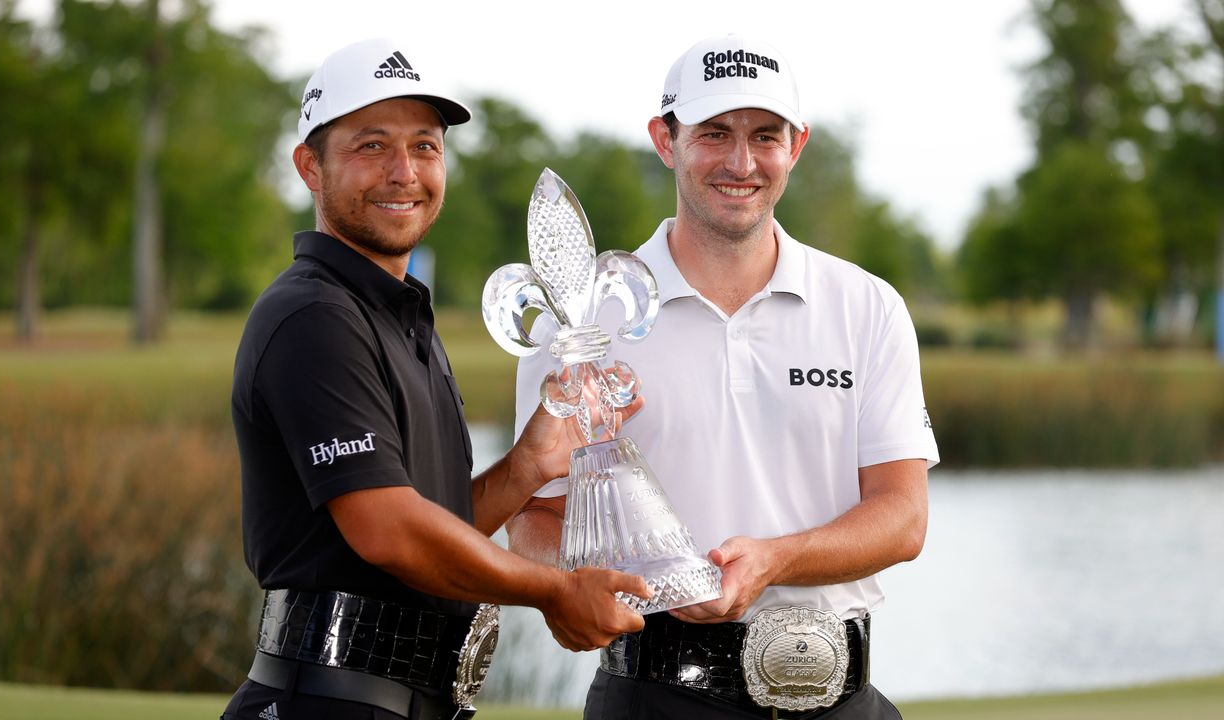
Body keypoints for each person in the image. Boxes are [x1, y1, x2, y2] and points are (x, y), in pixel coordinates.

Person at [508, 34, 939, 719]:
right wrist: (605, 582)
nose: (741, 162)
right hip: (651, 694)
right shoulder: (583, 315)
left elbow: (903, 518)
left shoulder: (867, 306)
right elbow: (535, 515)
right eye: (713, 134)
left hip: (838, 694)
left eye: (765, 136)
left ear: (796, 146)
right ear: (664, 139)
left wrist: (777, 558)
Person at [221, 38, 648, 720]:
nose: (404, 172)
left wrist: (527, 467)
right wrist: (552, 590)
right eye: (370, 146)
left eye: (424, 146)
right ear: (310, 166)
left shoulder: (398, 316)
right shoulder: (313, 315)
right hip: (327, 701)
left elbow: (430, 527)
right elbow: (389, 531)